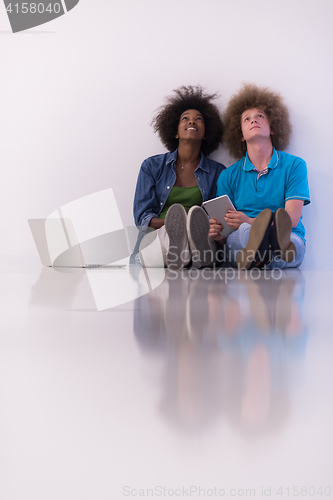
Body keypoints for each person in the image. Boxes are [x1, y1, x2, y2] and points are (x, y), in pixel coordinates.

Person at [208, 83, 310, 270]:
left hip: (286, 234)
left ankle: (261, 256)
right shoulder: (228, 175)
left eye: (260, 116)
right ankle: (267, 255)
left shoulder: (295, 166)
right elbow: (226, 233)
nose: (253, 120)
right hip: (242, 237)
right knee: (243, 235)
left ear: (272, 128)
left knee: (292, 244)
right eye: (246, 119)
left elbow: (292, 219)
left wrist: (248, 220)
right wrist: (217, 234)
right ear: (240, 135)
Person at [133, 85, 225, 268]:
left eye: (198, 119)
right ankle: (186, 253)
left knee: (199, 236)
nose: (192, 122)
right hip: (161, 232)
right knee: (167, 238)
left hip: (201, 233)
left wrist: (197, 227)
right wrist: (175, 224)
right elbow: (143, 219)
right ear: (175, 131)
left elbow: (219, 218)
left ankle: (189, 252)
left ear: (206, 134)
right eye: (186, 119)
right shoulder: (151, 167)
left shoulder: (218, 172)